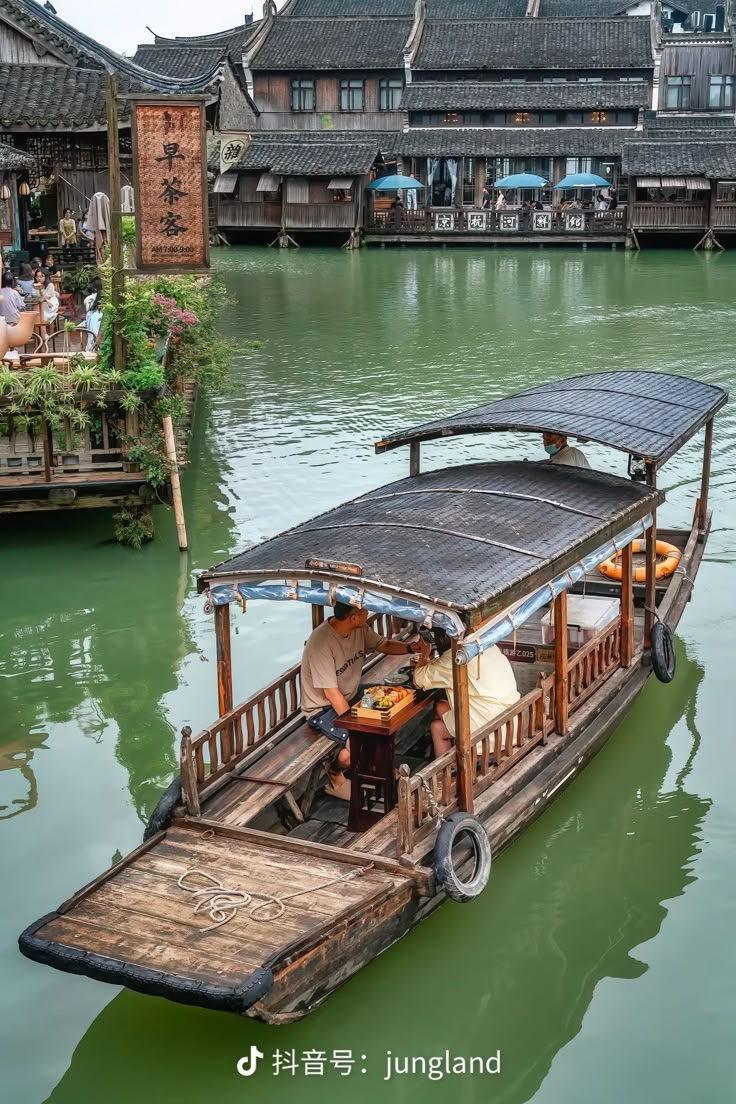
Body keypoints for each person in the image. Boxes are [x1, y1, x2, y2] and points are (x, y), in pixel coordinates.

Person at [300, 602, 430, 796]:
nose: (368, 611)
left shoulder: (359, 629)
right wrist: (354, 724)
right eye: (364, 610)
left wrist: (412, 648)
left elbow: (384, 645)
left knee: (392, 704)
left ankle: (376, 767)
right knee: (358, 740)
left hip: (351, 695)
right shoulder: (321, 644)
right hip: (323, 708)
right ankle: (335, 773)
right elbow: (331, 693)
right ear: (353, 617)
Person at [412, 629, 520, 760]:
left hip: (488, 731)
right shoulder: (487, 645)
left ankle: (448, 771)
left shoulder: (456, 658)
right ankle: (454, 756)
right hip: (510, 723)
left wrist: (425, 653)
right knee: (441, 707)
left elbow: (418, 679)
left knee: (436, 727)